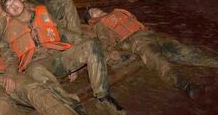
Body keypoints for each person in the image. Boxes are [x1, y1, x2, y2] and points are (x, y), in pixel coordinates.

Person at [0, 1, 84, 115]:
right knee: (1, 102)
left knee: (36, 89)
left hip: (4, 74)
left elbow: (10, 56)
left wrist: (10, 73)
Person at [0, 0, 126, 115]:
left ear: (21, 0)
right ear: (7, 13)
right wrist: (10, 74)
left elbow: (62, 33)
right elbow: (10, 57)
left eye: (14, 1)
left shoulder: (43, 13)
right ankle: (71, 103)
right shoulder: (8, 33)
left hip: (60, 56)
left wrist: (75, 59)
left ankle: (103, 96)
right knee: (34, 69)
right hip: (40, 64)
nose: (13, 6)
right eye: (8, 6)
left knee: (90, 45)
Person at [85, 7, 218, 99]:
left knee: (184, 51)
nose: (95, 9)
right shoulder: (99, 25)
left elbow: (135, 20)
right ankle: (186, 85)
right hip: (136, 41)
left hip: (150, 34)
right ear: (91, 18)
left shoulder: (117, 12)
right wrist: (112, 52)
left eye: (95, 8)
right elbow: (104, 41)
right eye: (92, 11)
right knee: (158, 61)